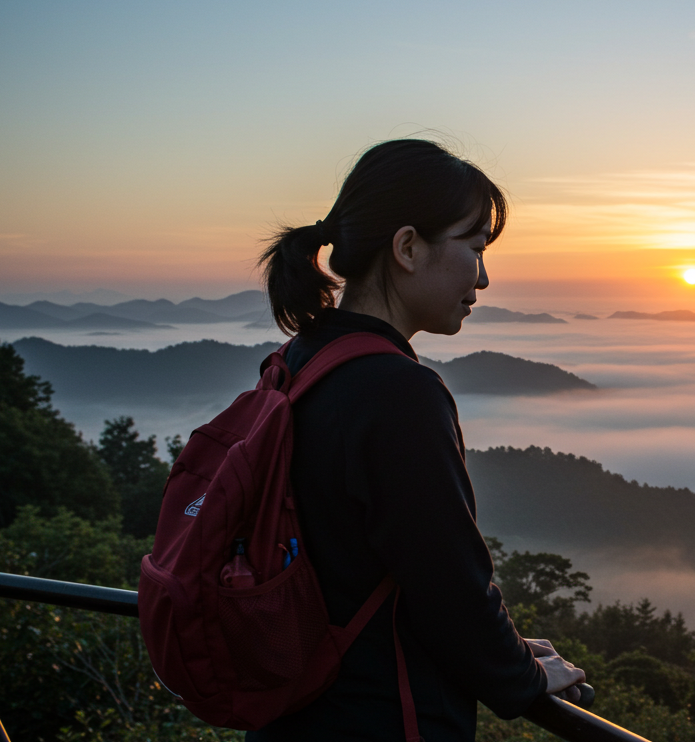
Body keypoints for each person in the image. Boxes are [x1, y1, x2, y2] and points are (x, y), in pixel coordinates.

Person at [248, 139, 586, 740]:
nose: (483, 276)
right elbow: (449, 583)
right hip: (377, 716)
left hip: (297, 711)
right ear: (407, 247)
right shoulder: (398, 392)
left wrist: (506, 647)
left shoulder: (301, 358)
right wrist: (523, 676)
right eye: (475, 248)